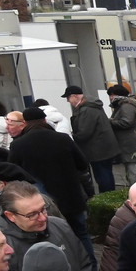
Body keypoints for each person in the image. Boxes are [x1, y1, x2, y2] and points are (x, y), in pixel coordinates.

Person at [7, 105, 94, 256]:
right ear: (44, 120)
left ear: (25, 123)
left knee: (52, 238)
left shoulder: (18, 145)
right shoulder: (62, 138)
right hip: (70, 196)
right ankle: (91, 269)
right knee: (81, 233)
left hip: (41, 202)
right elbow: (82, 163)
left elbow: (13, 174)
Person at [0, 181, 98, 271]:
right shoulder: (1, 247)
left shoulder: (60, 225)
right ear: (10, 216)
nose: (43, 218)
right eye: (32, 215)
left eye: (43, 209)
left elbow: (83, 265)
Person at [65, 84, 118, 193]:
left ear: (75, 96)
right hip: (103, 147)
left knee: (102, 176)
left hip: (98, 149)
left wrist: (70, 137)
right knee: (106, 173)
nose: (67, 101)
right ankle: (110, 196)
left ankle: (108, 198)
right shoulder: (91, 106)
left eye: (68, 97)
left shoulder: (87, 109)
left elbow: (84, 132)